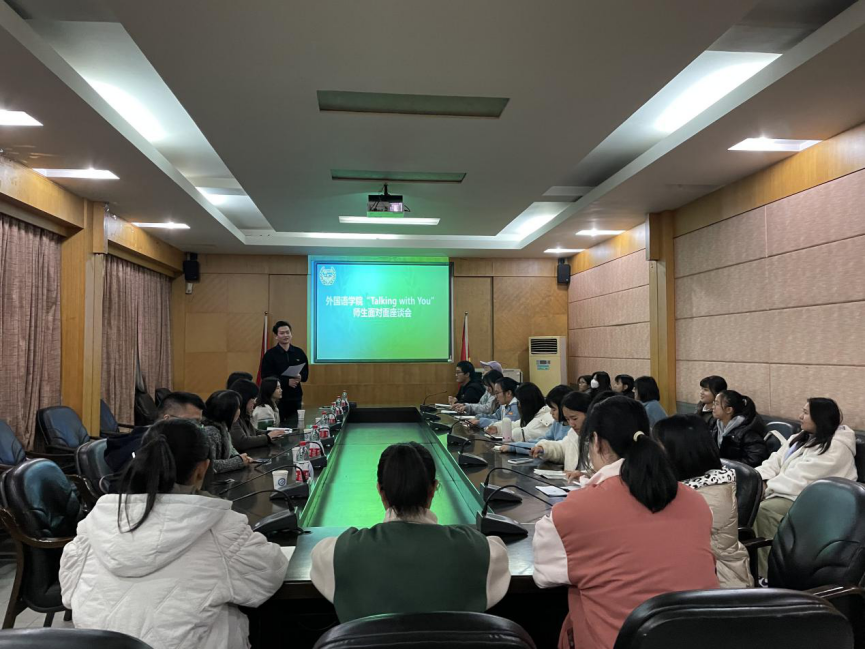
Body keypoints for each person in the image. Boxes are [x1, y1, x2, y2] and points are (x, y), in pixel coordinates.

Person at [60, 419, 288, 649]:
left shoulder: (97, 519)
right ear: (202, 469)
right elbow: (270, 574)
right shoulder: (219, 528)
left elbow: (68, 591)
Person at [533, 397, 718, 649]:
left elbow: (544, 576)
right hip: (700, 638)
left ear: (596, 441)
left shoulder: (574, 511)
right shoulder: (695, 501)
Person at [309, 442, 510, 622]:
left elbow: (319, 554)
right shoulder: (480, 551)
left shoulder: (338, 553)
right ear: (433, 489)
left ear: (380, 490)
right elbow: (497, 551)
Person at [753, 398, 857, 577]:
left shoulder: (836, 446)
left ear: (820, 417)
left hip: (818, 502)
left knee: (766, 510)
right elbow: (774, 461)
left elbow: (803, 478)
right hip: (791, 492)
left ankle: (767, 574)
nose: (800, 416)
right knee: (745, 501)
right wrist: (758, 480)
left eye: (806, 413)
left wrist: (768, 488)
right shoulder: (800, 438)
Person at [653, 415, 752, 589]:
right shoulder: (682, 484)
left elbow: (665, 536)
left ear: (679, 452)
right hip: (691, 573)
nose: (653, 454)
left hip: (720, 581)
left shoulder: (710, 495)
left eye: (658, 448)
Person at [104, 391, 206, 473]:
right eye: (192, 422)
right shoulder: (141, 448)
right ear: (167, 419)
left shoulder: (175, 444)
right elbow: (123, 487)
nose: (197, 428)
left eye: (199, 423)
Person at [529, 391, 592, 481]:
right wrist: (543, 448)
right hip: (571, 484)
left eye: (574, 418)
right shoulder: (573, 433)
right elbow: (562, 448)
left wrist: (586, 474)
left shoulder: (600, 437)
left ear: (589, 414)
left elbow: (604, 470)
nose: (571, 424)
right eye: (567, 419)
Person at [259, 320, 309, 426]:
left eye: (288, 332)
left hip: (295, 396)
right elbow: (266, 376)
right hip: (278, 398)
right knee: (280, 425)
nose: (286, 335)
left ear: (291, 334)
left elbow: (305, 374)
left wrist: (300, 377)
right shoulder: (270, 355)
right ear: (276, 336)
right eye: (282, 333)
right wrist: (286, 382)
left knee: (296, 424)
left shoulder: (299, 352)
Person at [499, 385, 572, 455]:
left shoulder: (572, 428)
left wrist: (515, 447)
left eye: (554, 409)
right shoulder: (557, 423)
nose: (551, 413)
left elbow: (551, 448)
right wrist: (516, 445)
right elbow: (541, 441)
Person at [712, 390, 768, 467]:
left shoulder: (748, 431)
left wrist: (726, 465)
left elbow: (755, 459)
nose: (713, 407)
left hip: (739, 471)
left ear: (729, 410)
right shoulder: (716, 425)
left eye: (717, 404)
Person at [202, 390, 253, 473]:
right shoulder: (211, 431)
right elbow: (210, 466)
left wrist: (240, 457)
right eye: (238, 408)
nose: (239, 411)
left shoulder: (222, 427)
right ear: (228, 411)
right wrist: (239, 461)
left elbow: (230, 448)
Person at [228, 379, 283, 451]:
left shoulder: (244, 415)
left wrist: (271, 433)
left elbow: (254, 432)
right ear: (245, 398)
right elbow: (242, 442)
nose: (255, 402)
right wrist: (268, 437)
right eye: (253, 398)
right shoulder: (234, 418)